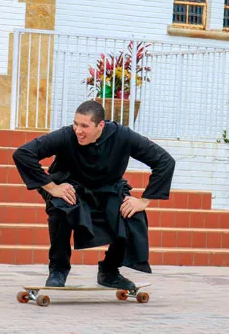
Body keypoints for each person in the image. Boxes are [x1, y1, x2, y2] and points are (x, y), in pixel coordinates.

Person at [12, 100, 175, 289]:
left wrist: (144, 201)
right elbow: (23, 154)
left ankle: (109, 271)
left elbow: (164, 161)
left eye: (84, 126)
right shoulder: (66, 135)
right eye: (75, 124)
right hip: (72, 187)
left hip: (108, 189)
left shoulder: (123, 136)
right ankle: (58, 269)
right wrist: (51, 187)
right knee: (61, 205)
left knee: (132, 213)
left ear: (101, 125)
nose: (78, 130)